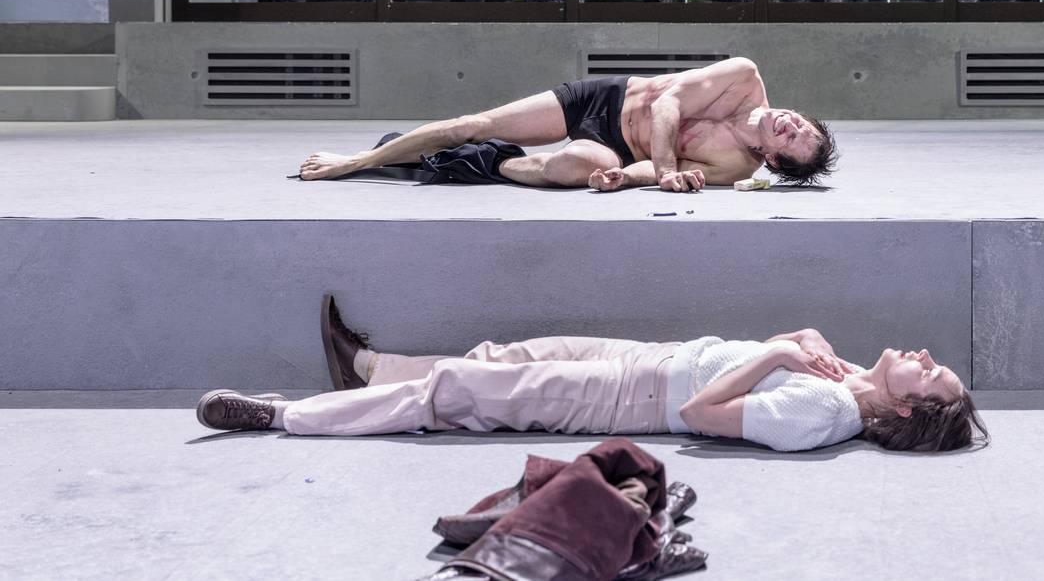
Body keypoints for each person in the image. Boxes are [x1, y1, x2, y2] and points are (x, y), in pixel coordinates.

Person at [197, 296, 988, 453]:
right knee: (500, 358)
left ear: (906, 411)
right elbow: (766, 357)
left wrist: (778, 353)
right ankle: (363, 369)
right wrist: (798, 338)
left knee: (456, 394)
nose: (924, 355)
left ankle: (285, 416)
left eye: (931, 374)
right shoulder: (844, 377)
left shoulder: (825, 416)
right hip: (648, 357)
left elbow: (704, 415)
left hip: (634, 397)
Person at [297, 57, 838, 191]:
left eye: (793, 138)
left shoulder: (735, 167)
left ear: (773, 160)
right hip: (602, 99)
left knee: (572, 168)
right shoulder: (744, 76)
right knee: (472, 122)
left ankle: (487, 163)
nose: (790, 122)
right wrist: (668, 170)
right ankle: (359, 161)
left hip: (621, 151)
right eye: (800, 122)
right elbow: (668, 103)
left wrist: (623, 178)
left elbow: (655, 170)